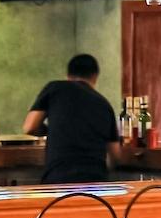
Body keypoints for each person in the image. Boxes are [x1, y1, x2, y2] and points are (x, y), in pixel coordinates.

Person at [25, 53, 120, 184]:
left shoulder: (55, 88)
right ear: (95, 77)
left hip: (59, 178)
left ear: (68, 76)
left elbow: (30, 127)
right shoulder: (105, 104)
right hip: (96, 181)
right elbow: (115, 156)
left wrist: (53, 131)